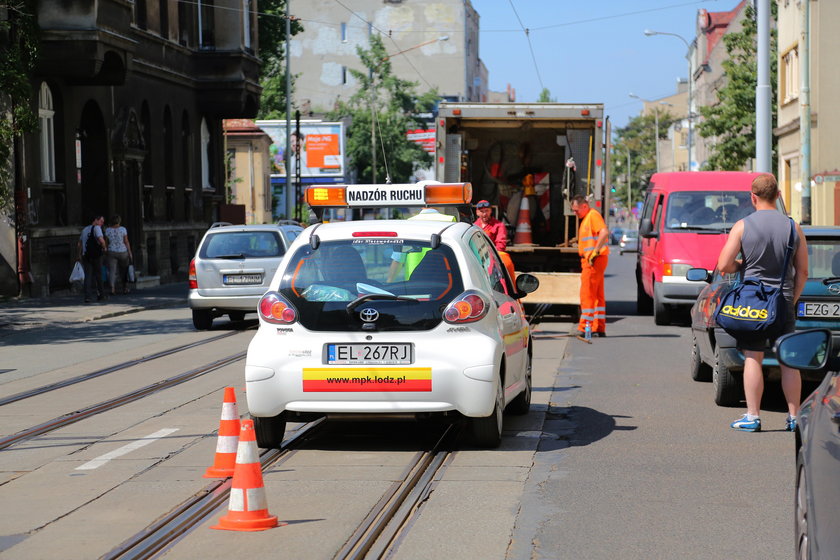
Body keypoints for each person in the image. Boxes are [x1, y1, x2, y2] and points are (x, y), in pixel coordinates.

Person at [716, 174, 808, 432]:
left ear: (752, 197)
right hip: (783, 301)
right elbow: (803, 272)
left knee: (753, 358)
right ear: (778, 196)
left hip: (753, 302)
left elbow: (723, 265)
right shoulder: (793, 227)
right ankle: (794, 417)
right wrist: (792, 300)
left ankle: (753, 416)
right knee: (788, 360)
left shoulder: (742, 226)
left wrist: (741, 265)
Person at [571, 195, 610, 337]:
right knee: (597, 294)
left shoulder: (592, 216)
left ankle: (584, 327)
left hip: (592, 260)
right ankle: (598, 327)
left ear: (584, 206)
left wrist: (595, 251)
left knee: (587, 293)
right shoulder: (589, 217)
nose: (575, 213)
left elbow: (604, 232)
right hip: (596, 260)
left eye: (576, 210)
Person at [474, 200, 516, 282]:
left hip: (493, 260)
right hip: (477, 259)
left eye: (486, 211)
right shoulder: (474, 226)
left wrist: (492, 260)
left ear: (491, 211)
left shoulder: (499, 225)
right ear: (477, 212)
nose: (484, 214)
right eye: (481, 211)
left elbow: (501, 244)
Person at [77, 214, 108, 303]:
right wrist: (104, 247)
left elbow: (79, 244)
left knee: (88, 276)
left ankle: (87, 296)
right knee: (98, 275)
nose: (102, 223)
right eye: (101, 221)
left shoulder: (84, 229)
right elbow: (101, 240)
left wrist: (78, 255)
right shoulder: (97, 228)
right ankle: (101, 295)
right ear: (96, 220)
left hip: (86, 255)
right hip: (96, 255)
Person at [104, 214, 133, 295]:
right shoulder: (123, 229)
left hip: (111, 252)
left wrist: (105, 251)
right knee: (124, 270)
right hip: (123, 252)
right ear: (119, 221)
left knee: (112, 271)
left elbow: (106, 242)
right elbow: (126, 241)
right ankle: (125, 288)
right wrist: (130, 252)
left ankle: (112, 289)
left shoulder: (107, 230)